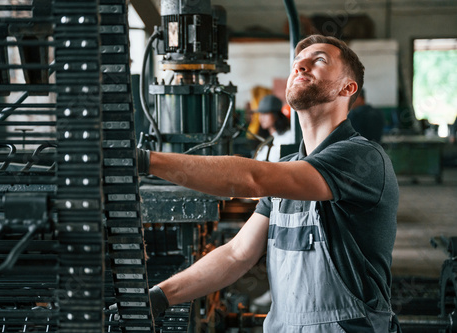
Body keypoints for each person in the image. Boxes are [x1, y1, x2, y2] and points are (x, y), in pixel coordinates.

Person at [139, 34, 400, 332]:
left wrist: (145, 161)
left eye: (319, 60)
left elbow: (253, 179)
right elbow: (237, 254)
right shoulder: (286, 171)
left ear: (348, 87)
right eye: (296, 63)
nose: (301, 66)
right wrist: (158, 297)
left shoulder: (362, 158)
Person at [253, 94, 293, 162]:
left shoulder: (287, 137)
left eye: (266, 113)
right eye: (260, 113)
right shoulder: (267, 138)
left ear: (276, 115)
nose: (261, 118)